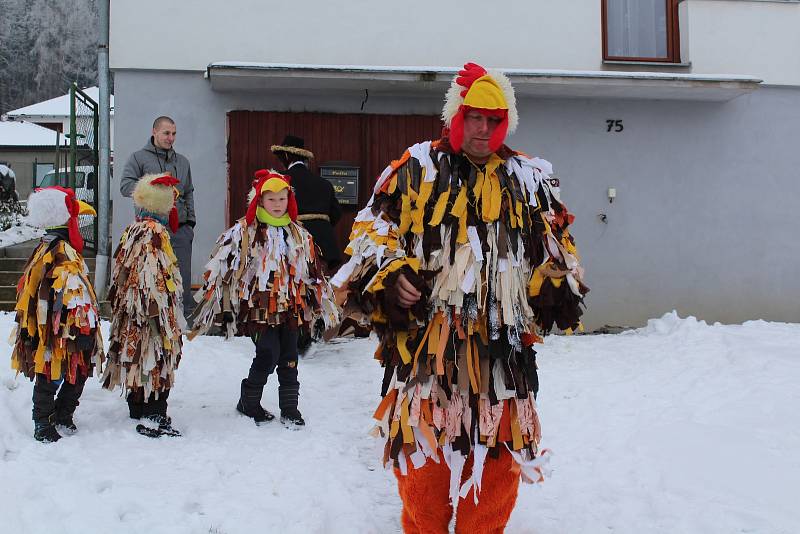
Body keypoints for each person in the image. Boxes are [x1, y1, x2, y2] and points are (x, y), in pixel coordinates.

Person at [331, 62, 589, 532]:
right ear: (456, 116)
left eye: (494, 121)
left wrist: (556, 276)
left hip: (503, 351)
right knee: (424, 455)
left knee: (497, 454)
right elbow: (371, 230)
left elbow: (557, 246)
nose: (484, 130)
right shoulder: (416, 168)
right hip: (431, 346)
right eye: (475, 118)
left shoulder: (528, 179)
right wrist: (391, 274)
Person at [190, 169, 339, 428]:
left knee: (290, 357)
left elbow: (311, 270)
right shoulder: (244, 233)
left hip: (290, 309)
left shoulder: (299, 234)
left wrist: (316, 298)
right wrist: (223, 300)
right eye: (271, 200)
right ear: (259, 201)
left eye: (282, 199)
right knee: (268, 353)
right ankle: (249, 400)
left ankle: (290, 408)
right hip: (260, 310)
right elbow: (226, 267)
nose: (278, 205)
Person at [11, 186, 104, 442]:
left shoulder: (58, 248)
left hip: (72, 325)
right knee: (50, 372)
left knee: (78, 370)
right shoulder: (55, 251)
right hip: (55, 327)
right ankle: (42, 421)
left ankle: (63, 414)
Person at [102, 174, 185, 438]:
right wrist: (158, 310)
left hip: (133, 309)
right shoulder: (155, 233)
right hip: (151, 311)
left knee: (136, 354)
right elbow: (152, 275)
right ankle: (155, 411)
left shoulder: (134, 229)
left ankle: (137, 405)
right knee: (157, 357)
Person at [120, 116, 196, 318]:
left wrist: (190, 223)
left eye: (174, 133)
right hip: (150, 229)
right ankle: (153, 319)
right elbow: (125, 187)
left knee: (181, 276)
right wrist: (152, 185)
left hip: (179, 229)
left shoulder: (183, 162)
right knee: (154, 276)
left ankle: (181, 319)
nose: (171, 138)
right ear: (154, 131)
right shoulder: (138, 158)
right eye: (166, 133)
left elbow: (188, 192)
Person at [271, 135, 342, 272]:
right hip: (322, 246)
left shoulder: (281, 180)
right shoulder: (325, 184)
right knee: (319, 286)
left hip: (290, 244)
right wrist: (319, 226)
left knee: (291, 287)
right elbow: (336, 213)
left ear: (286, 155)